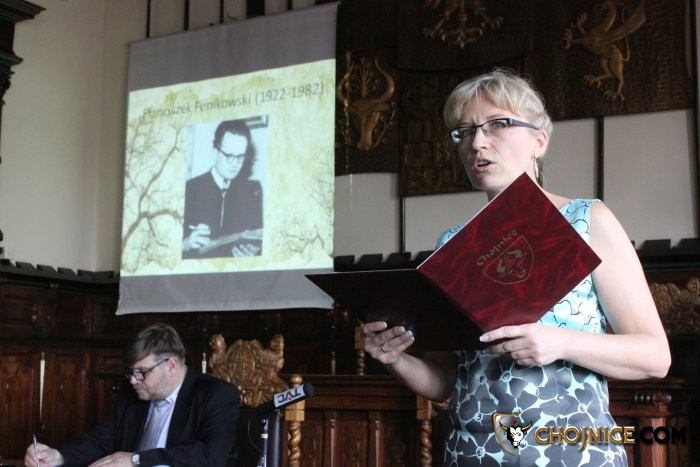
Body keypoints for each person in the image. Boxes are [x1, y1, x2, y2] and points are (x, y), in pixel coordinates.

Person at [361, 69, 671, 466]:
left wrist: (561, 343)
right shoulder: (452, 245)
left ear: (539, 142)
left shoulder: (585, 221)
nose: (477, 142)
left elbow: (655, 356)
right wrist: (396, 360)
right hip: (473, 454)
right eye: (464, 131)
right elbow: (445, 382)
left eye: (498, 124)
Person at [25, 323, 241, 467]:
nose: (133, 380)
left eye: (141, 372)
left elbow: (213, 457)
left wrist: (137, 460)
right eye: (130, 372)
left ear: (171, 365)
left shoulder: (216, 395)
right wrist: (58, 456)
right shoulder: (133, 392)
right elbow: (101, 441)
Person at [183, 118, 263, 259]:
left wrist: (254, 253)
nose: (235, 164)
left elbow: (259, 239)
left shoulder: (252, 192)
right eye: (229, 156)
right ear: (215, 151)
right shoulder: (189, 189)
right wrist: (185, 244)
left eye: (240, 157)